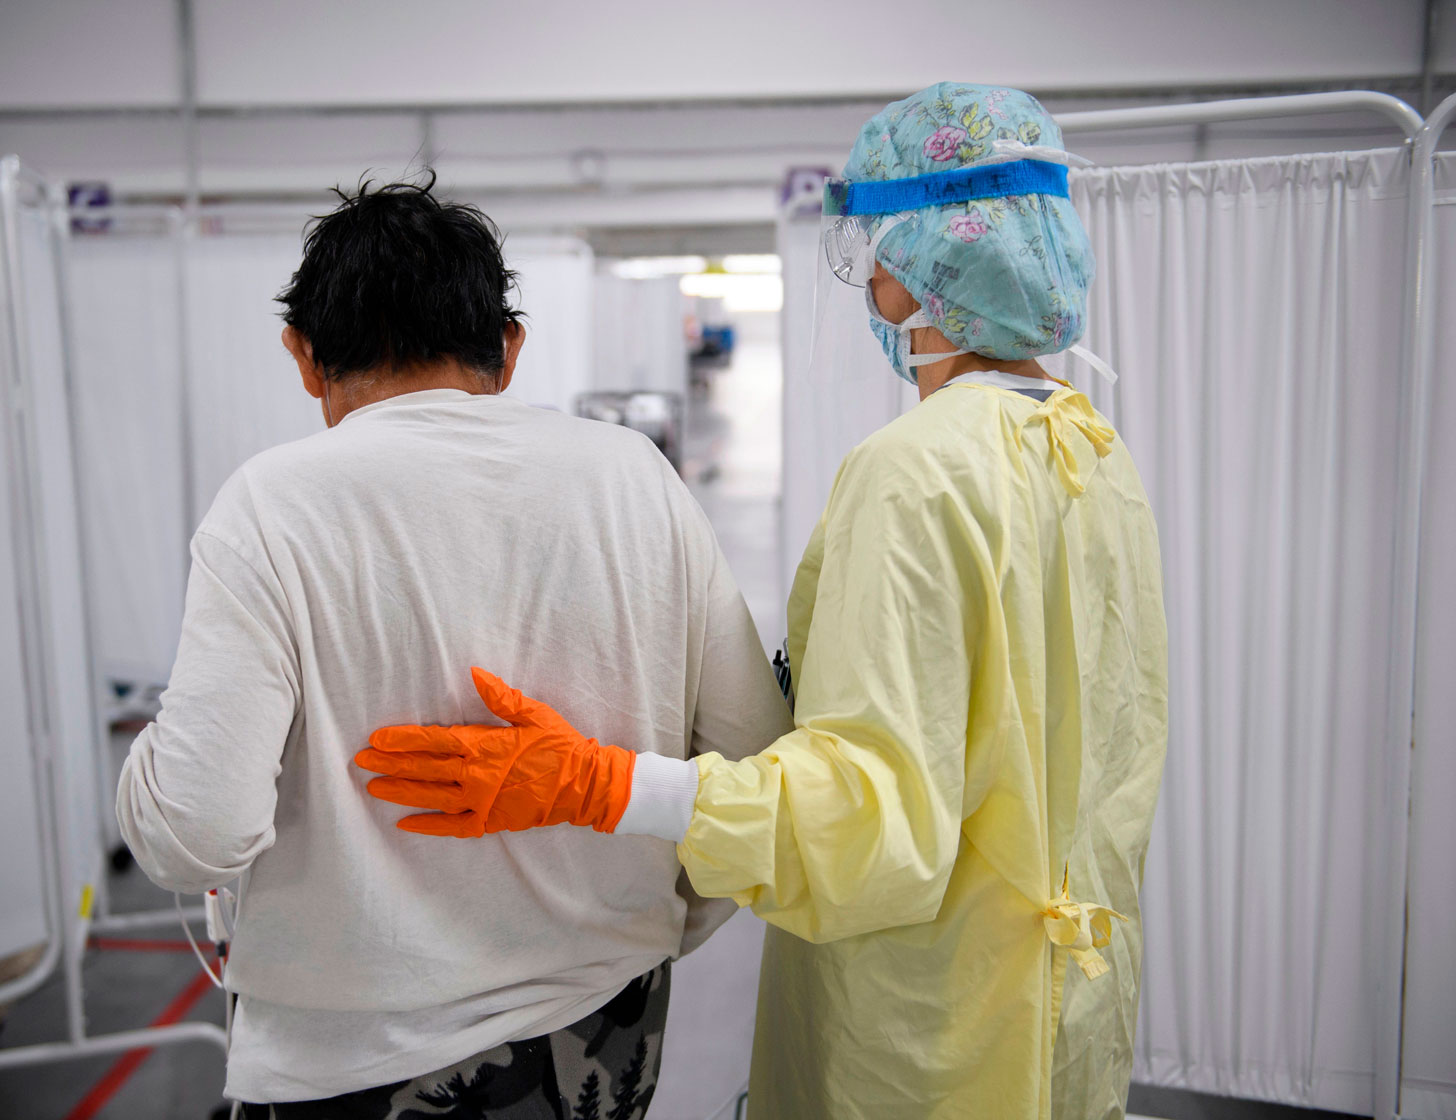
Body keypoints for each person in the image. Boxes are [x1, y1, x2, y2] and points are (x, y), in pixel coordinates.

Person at [359, 84, 1169, 1119]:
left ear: (918, 269)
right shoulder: (1092, 454)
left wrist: (601, 784)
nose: (870, 277)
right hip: (1060, 1019)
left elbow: (871, 822)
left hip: (936, 1040)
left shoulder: (918, 471)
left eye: (878, 246)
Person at [116, 178, 792, 1118]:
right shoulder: (635, 478)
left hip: (356, 1059)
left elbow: (199, 832)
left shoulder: (271, 507)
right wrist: (648, 928)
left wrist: (151, 759)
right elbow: (756, 755)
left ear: (304, 357)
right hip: (606, 1028)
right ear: (508, 351)